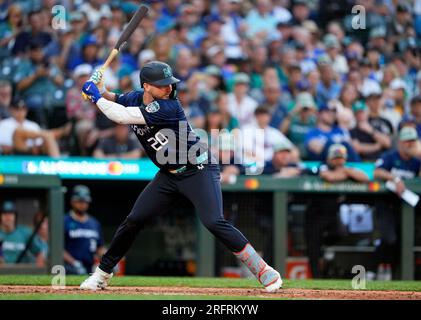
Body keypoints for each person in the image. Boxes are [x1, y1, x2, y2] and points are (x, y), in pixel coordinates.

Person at [79, 61, 282, 291]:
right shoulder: (136, 97)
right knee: (134, 220)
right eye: (161, 84)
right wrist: (100, 86)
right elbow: (115, 99)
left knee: (214, 221)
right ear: (146, 86)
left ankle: (264, 270)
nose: (168, 88)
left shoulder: (169, 106)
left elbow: (121, 116)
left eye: (169, 83)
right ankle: (102, 274)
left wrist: (95, 97)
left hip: (198, 170)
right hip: (168, 174)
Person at [305, 144, 369, 277]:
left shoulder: (346, 169)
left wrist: (346, 171)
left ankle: (325, 252)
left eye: (340, 158)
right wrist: (344, 173)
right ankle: (317, 279)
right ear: (329, 158)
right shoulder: (323, 165)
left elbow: (365, 178)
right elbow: (329, 177)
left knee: (340, 233)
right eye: (335, 158)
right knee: (313, 249)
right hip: (315, 214)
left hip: (332, 215)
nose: (338, 161)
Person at [373, 126, 421, 279]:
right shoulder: (390, 156)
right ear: (400, 142)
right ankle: (376, 267)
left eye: (413, 141)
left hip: (407, 207)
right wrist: (395, 178)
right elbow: (377, 171)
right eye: (407, 141)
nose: (410, 144)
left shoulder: (416, 161)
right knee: (389, 238)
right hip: (387, 204)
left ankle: (395, 276)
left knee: (404, 242)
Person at [64, 185, 105, 275]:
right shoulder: (64, 221)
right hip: (68, 267)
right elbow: (58, 248)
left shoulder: (94, 223)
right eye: (80, 201)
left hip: (89, 267)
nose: (83, 204)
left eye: (85, 201)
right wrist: (74, 263)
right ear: (72, 202)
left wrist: (109, 261)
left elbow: (100, 247)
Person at [0, 98, 64, 156]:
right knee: (18, 132)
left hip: (32, 152)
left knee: (48, 137)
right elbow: (4, 146)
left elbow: (39, 143)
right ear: (11, 109)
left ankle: (57, 163)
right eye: (17, 109)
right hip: (15, 152)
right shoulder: (4, 124)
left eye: (23, 108)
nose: (20, 112)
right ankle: (54, 133)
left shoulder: (33, 125)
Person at [0, 200, 45, 266]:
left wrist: (39, 271)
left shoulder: (25, 233)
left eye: (11, 213)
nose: (8, 217)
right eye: (4, 213)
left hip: (22, 272)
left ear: (15, 215)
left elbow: (40, 252)